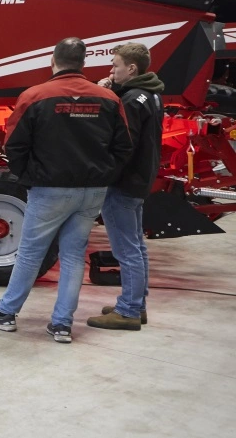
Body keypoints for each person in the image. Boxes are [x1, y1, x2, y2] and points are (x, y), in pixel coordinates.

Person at [0, 37, 133, 344]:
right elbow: (123, 147)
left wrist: (29, 174)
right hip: (92, 190)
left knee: (31, 253)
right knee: (73, 256)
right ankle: (62, 325)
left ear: (53, 61)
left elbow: (15, 144)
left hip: (49, 189)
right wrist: (103, 174)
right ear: (83, 63)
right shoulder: (109, 99)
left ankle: (5, 314)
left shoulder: (35, 96)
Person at [88, 43, 164, 331]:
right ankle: (137, 303)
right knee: (136, 246)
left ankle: (129, 310)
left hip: (123, 183)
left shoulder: (131, 100)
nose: (111, 70)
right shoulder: (151, 94)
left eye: (115, 65)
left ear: (131, 69)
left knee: (126, 249)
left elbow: (123, 145)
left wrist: (102, 174)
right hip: (140, 180)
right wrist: (111, 89)